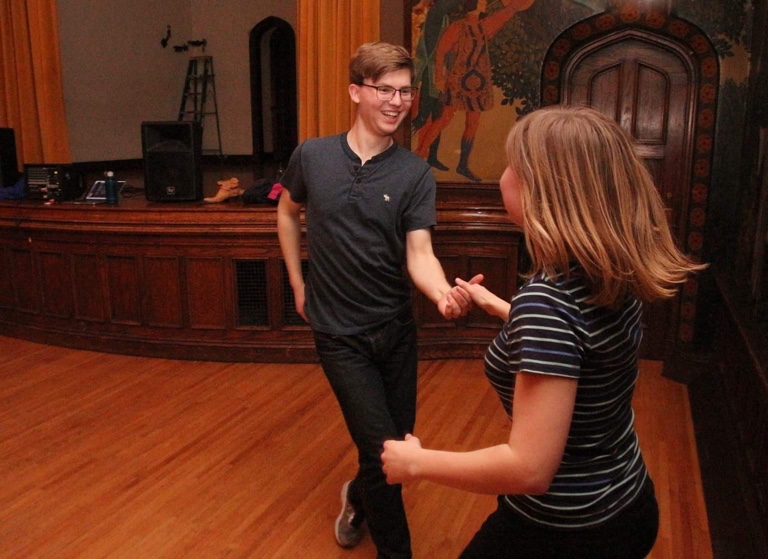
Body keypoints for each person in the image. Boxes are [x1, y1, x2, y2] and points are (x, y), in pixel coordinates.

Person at [381, 105, 708, 558]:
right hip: (626, 501)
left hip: (564, 530)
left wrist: (416, 463)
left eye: (515, 164)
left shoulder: (547, 303)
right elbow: (584, 345)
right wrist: (501, 307)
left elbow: (530, 468)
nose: (504, 175)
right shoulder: (610, 266)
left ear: (547, 190)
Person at [277, 42, 474, 559]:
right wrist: (298, 283)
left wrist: (440, 294)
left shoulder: (414, 173)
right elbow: (286, 212)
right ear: (355, 92)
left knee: (394, 444)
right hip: (339, 335)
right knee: (387, 452)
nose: (397, 101)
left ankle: (358, 499)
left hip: (396, 331)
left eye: (405, 91)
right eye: (385, 89)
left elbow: (421, 252)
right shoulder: (313, 156)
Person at [414, 0, 534, 182]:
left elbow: (503, 16)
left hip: (478, 83)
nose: (485, 3)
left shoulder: (482, 26)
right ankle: (420, 154)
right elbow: (440, 51)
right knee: (444, 118)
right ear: (474, 5)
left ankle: (463, 165)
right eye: (482, 1)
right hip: (458, 79)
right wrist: (439, 77)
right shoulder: (458, 27)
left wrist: (515, 6)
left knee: (473, 122)